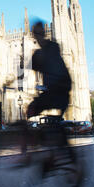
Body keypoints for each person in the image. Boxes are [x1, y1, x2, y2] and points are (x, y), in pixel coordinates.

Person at [20, 20, 72, 162]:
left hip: (60, 92)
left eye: (39, 33)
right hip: (51, 93)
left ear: (44, 33)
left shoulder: (52, 47)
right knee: (30, 112)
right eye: (35, 33)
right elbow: (25, 69)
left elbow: (48, 63)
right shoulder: (39, 53)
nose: (37, 36)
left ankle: (63, 157)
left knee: (52, 123)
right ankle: (29, 153)